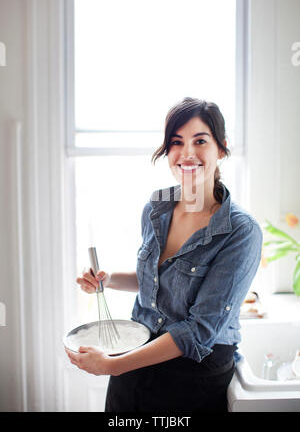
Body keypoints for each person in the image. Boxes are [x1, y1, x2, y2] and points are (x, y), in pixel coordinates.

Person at [66, 97, 263, 412]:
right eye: (176, 142)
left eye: (200, 141)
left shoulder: (241, 231)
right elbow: (157, 282)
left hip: (192, 374)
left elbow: (200, 330)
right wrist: (108, 280)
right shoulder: (156, 208)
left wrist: (112, 365)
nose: (187, 153)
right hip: (134, 353)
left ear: (221, 148)